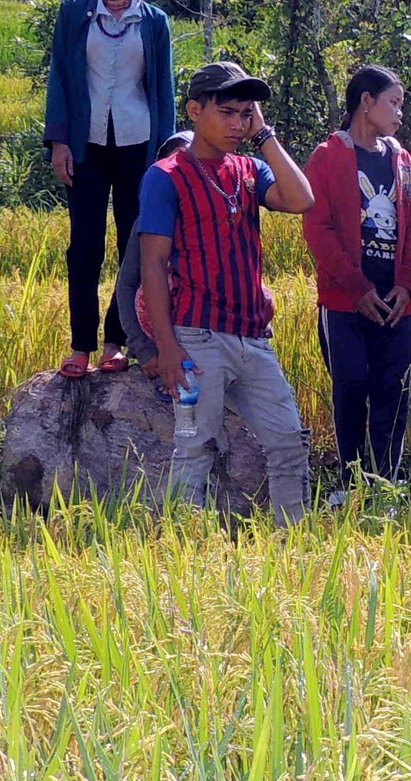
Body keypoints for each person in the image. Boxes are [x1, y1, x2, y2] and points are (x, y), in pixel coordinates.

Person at [133, 62, 317, 523]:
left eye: (246, 114)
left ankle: (294, 543)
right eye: (227, 112)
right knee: (194, 447)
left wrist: (266, 137)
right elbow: (151, 265)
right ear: (195, 110)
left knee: (289, 442)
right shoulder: (166, 175)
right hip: (196, 338)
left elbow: (301, 200)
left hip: (253, 338)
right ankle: (182, 549)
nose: (238, 124)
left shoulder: (251, 169)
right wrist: (166, 346)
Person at [43, 0, 178, 378]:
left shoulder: (155, 22)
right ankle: (80, 344)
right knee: (83, 246)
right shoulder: (73, 14)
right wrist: (59, 140)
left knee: (132, 245)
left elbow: (163, 90)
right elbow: (60, 79)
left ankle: (116, 342)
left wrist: (167, 158)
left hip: (139, 147)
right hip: (87, 146)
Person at [304, 64, 411, 497]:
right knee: (352, 385)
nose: (399, 113)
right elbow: (317, 229)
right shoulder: (327, 157)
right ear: (365, 102)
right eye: (393, 103)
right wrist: (357, 289)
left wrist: (407, 284)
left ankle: (384, 485)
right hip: (344, 302)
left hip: (395, 304)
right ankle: (349, 481)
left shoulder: (402, 160)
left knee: (394, 391)